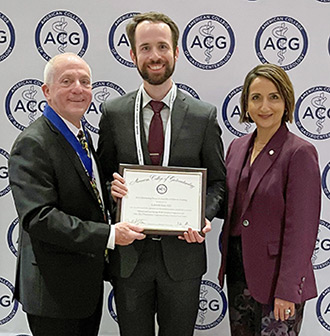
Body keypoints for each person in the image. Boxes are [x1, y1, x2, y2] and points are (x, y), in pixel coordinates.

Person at [97, 12, 226, 336]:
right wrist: (113, 193)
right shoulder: (113, 113)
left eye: (162, 47)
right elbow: (100, 178)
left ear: (176, 52)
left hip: (182, 258)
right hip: (129, 258)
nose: (154, 56)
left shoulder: (203, 116)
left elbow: (219, 183)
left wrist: (203, 215)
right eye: (145, 48)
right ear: (132, 55)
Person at [8, 52, 145, 336]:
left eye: (85, 81)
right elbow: (39, 217)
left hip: (83, 286)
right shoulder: (34, 143)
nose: (78, 89)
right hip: (53, 292)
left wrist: (111, 192)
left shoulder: (80, 134)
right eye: (67, 81)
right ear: (46, 91)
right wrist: (109, 235)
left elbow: (83, 193)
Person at [218, 63, 321, 335]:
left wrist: (287, 289)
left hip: (278, 279)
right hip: (239, 273)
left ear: (287, 101)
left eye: (274, 97)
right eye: (256, 97)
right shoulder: (237, 147)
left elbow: (302, 229)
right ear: (246, 104)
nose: (264, 106)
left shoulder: (299, 152)